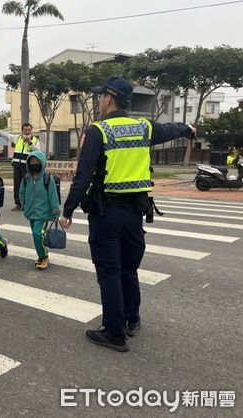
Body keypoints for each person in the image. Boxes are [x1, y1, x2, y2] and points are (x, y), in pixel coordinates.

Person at [59, 76, 195, 352]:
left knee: (109, 273)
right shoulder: (144, 127)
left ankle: (114, 332)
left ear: (108, 99)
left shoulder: (98, 131)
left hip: (106, 214)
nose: (98, 101)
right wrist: (187, 128)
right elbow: (171, 129)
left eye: (100, 97)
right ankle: (131, 319)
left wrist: (68, 210)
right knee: (128, 269)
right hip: (135, 214)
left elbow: (83, 177)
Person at [19, 151, 61, 270]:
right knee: (36, 235)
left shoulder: (48, 178)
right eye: (32, 162)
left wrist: (55, 211)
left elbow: (53, 196)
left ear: (42, 163)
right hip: (30, 213)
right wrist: (23, 205)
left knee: (38, 234)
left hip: (43, 214)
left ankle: (43, 256)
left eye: (37, 162)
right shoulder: (27, 178)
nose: (34, 164)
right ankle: (41, 254)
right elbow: (21, 193)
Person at [0, 122, 41, 211]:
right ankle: (18, 204)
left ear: (31, 130)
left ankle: (26, 204)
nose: (27, 131)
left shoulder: (35, 140)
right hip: (17, 165)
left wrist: (30, 143)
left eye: (29, 130)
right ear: (22, 131)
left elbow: (38, 151)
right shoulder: (18, 138)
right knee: (17, 185)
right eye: (25, 130)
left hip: (27, 167)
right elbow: (7, 135)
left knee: (27, 185)